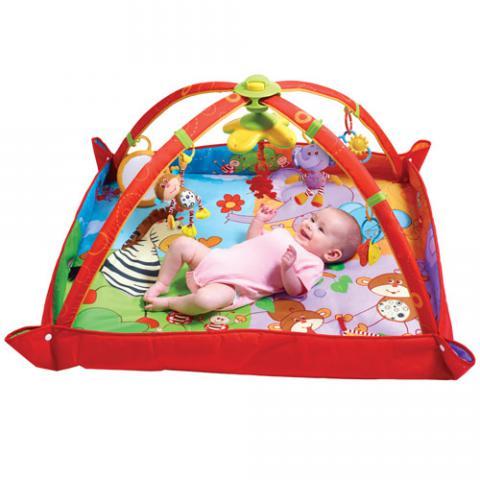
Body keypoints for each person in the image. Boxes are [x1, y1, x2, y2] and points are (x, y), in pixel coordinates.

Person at [144, 205, 362, 315]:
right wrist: (259, 221)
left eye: (320, 229)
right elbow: (253, 241)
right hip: (215, 260)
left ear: (332, 254)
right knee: (182, 243)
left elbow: (296, 290)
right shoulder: (282, 234)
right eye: (313, 219)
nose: (309, 224)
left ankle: (172, 303)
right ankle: (163, 283)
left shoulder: (313, 263)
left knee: (205, 301)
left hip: (231, 286)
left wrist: (287, 268)